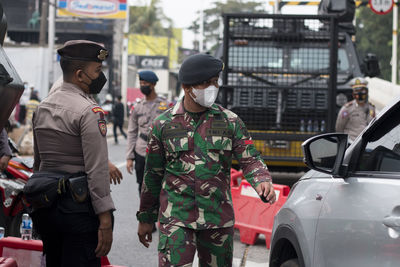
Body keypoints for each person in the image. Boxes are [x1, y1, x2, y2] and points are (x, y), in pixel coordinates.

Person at [136, 53, 276, 267]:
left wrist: (261, 179)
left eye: (215, 82)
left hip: (217, 218)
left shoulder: (230, 121)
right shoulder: (163, 124)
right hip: (176, 218)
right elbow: (152, 174)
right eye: (207, 83)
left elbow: (250, 158)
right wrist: (146, 218)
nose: (213, 87)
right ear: (187, 87)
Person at [32, 40, 115, 267]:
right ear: (80, 75)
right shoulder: (89, 111)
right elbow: (96, 169)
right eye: (97, 71)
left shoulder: (42, 107)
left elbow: (39, 163)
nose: (100, 76)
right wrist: (105, 219)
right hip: (77, 210)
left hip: (46, 206)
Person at [49, 76, 123, 185]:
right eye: (96, 69)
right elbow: (89, 138)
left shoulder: (76, 86)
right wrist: (105, 162)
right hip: (71, 168)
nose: (98, 74)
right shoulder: (68, 89)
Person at [126, 70, 169, 194]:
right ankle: (145, 211)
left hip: (161, 151)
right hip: (141, 151)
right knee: (142, 185)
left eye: (145, 83)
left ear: (153, 84)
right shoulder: (137, 107)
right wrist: (129, 157)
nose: (142, 85)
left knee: (161, 185)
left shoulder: (166, 105)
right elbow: (132, 132)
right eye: (141, 83)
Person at [336, 77, 376, 141]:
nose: (360, 93)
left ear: (366, 91)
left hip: (366, 143)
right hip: (351, 143)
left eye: (362, 90)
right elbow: (339, 129)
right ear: (353, 93)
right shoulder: (347, 109)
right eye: (357, 90)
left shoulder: (371, 108)